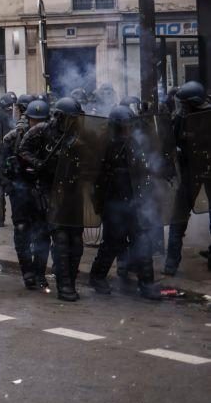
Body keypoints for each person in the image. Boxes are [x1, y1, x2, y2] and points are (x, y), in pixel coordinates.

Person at [87, 106, 162, 300]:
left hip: (135, 202)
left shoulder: (135, 144)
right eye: (124, 126)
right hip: (114, 205)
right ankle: (97, 276)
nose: (127, 129)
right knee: (112, 243)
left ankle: (146, 283)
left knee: (142, 240)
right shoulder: (105, 146)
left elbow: (144, 170)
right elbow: (97, 178)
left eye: (129, 125)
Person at [18, 98, 87, 301]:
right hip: (50, 189)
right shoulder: (42, 130)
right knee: (61, 238)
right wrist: (39, 164)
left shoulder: (80, 134)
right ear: (59, 116)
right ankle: (64, 286)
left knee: (76, 239)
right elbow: (22, 149)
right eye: (69, 118)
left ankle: (71, 282)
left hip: (73, 190)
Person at [1, 100, 51, 290]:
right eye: (33, 120)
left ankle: (40, 273)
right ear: (27, 118)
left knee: (43, 234)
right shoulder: (13, 138)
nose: (36, 124)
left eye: (41, 120)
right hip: (20, 191)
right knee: (22, 232)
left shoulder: (51, 137)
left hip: (41, 190)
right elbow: (0, 167)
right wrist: (9, 186)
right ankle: (28, 273)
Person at [165, 81, 211, 275]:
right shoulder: (180, 119)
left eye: (185, 104)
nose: (182, 107)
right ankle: (171, 263)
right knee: (178, 218)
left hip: (209, 170)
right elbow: (170, 142)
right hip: (188, 171)